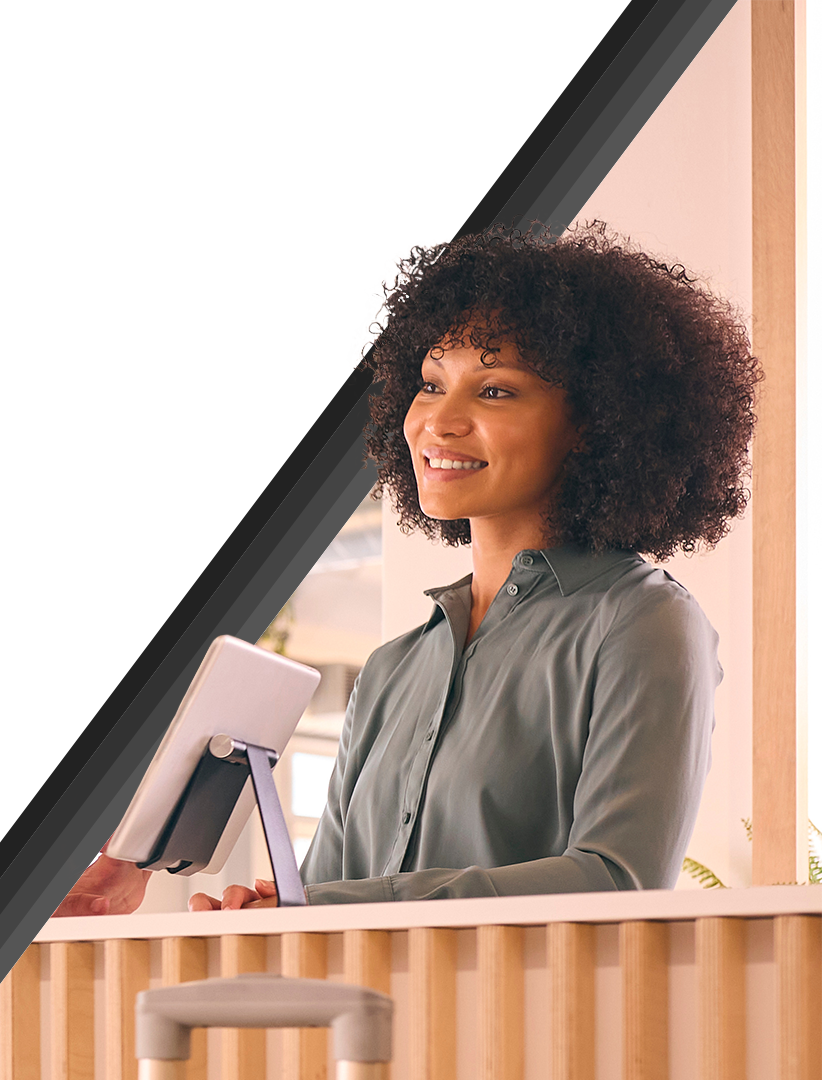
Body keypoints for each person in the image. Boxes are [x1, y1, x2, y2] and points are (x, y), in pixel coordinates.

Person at [54, 221, 762, 917]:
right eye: (429, 384)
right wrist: (257, 914)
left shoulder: (643, 622)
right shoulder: (392, 668)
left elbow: (617, 882)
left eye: (494, 390)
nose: (437, 422)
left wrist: (335, 903)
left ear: (595, 422)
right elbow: (319, 906)